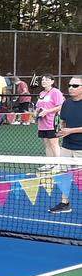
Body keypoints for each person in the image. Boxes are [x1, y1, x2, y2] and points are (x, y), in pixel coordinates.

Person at [50, 75, 82, 213]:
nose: (71, 88)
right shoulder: (66, 103)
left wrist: (71, 130)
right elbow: (63, 122)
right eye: (70, 85)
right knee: (64, 174)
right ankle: (65, 202)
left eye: (75, 86)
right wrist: (61, 131)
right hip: (67, 146)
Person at [34, 75, 65, 171]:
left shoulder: (56, 92)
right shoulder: (41, 93)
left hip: (52, 122)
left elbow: (60, 106)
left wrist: (47, 111)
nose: (44, 81)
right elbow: (38, 107)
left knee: (54, 143)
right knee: (47, 143)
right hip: (42, 123)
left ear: (52, 81)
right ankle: (49, 163)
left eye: (46, 80)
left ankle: (59, 165)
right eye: (42, 80)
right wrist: (36, 112)